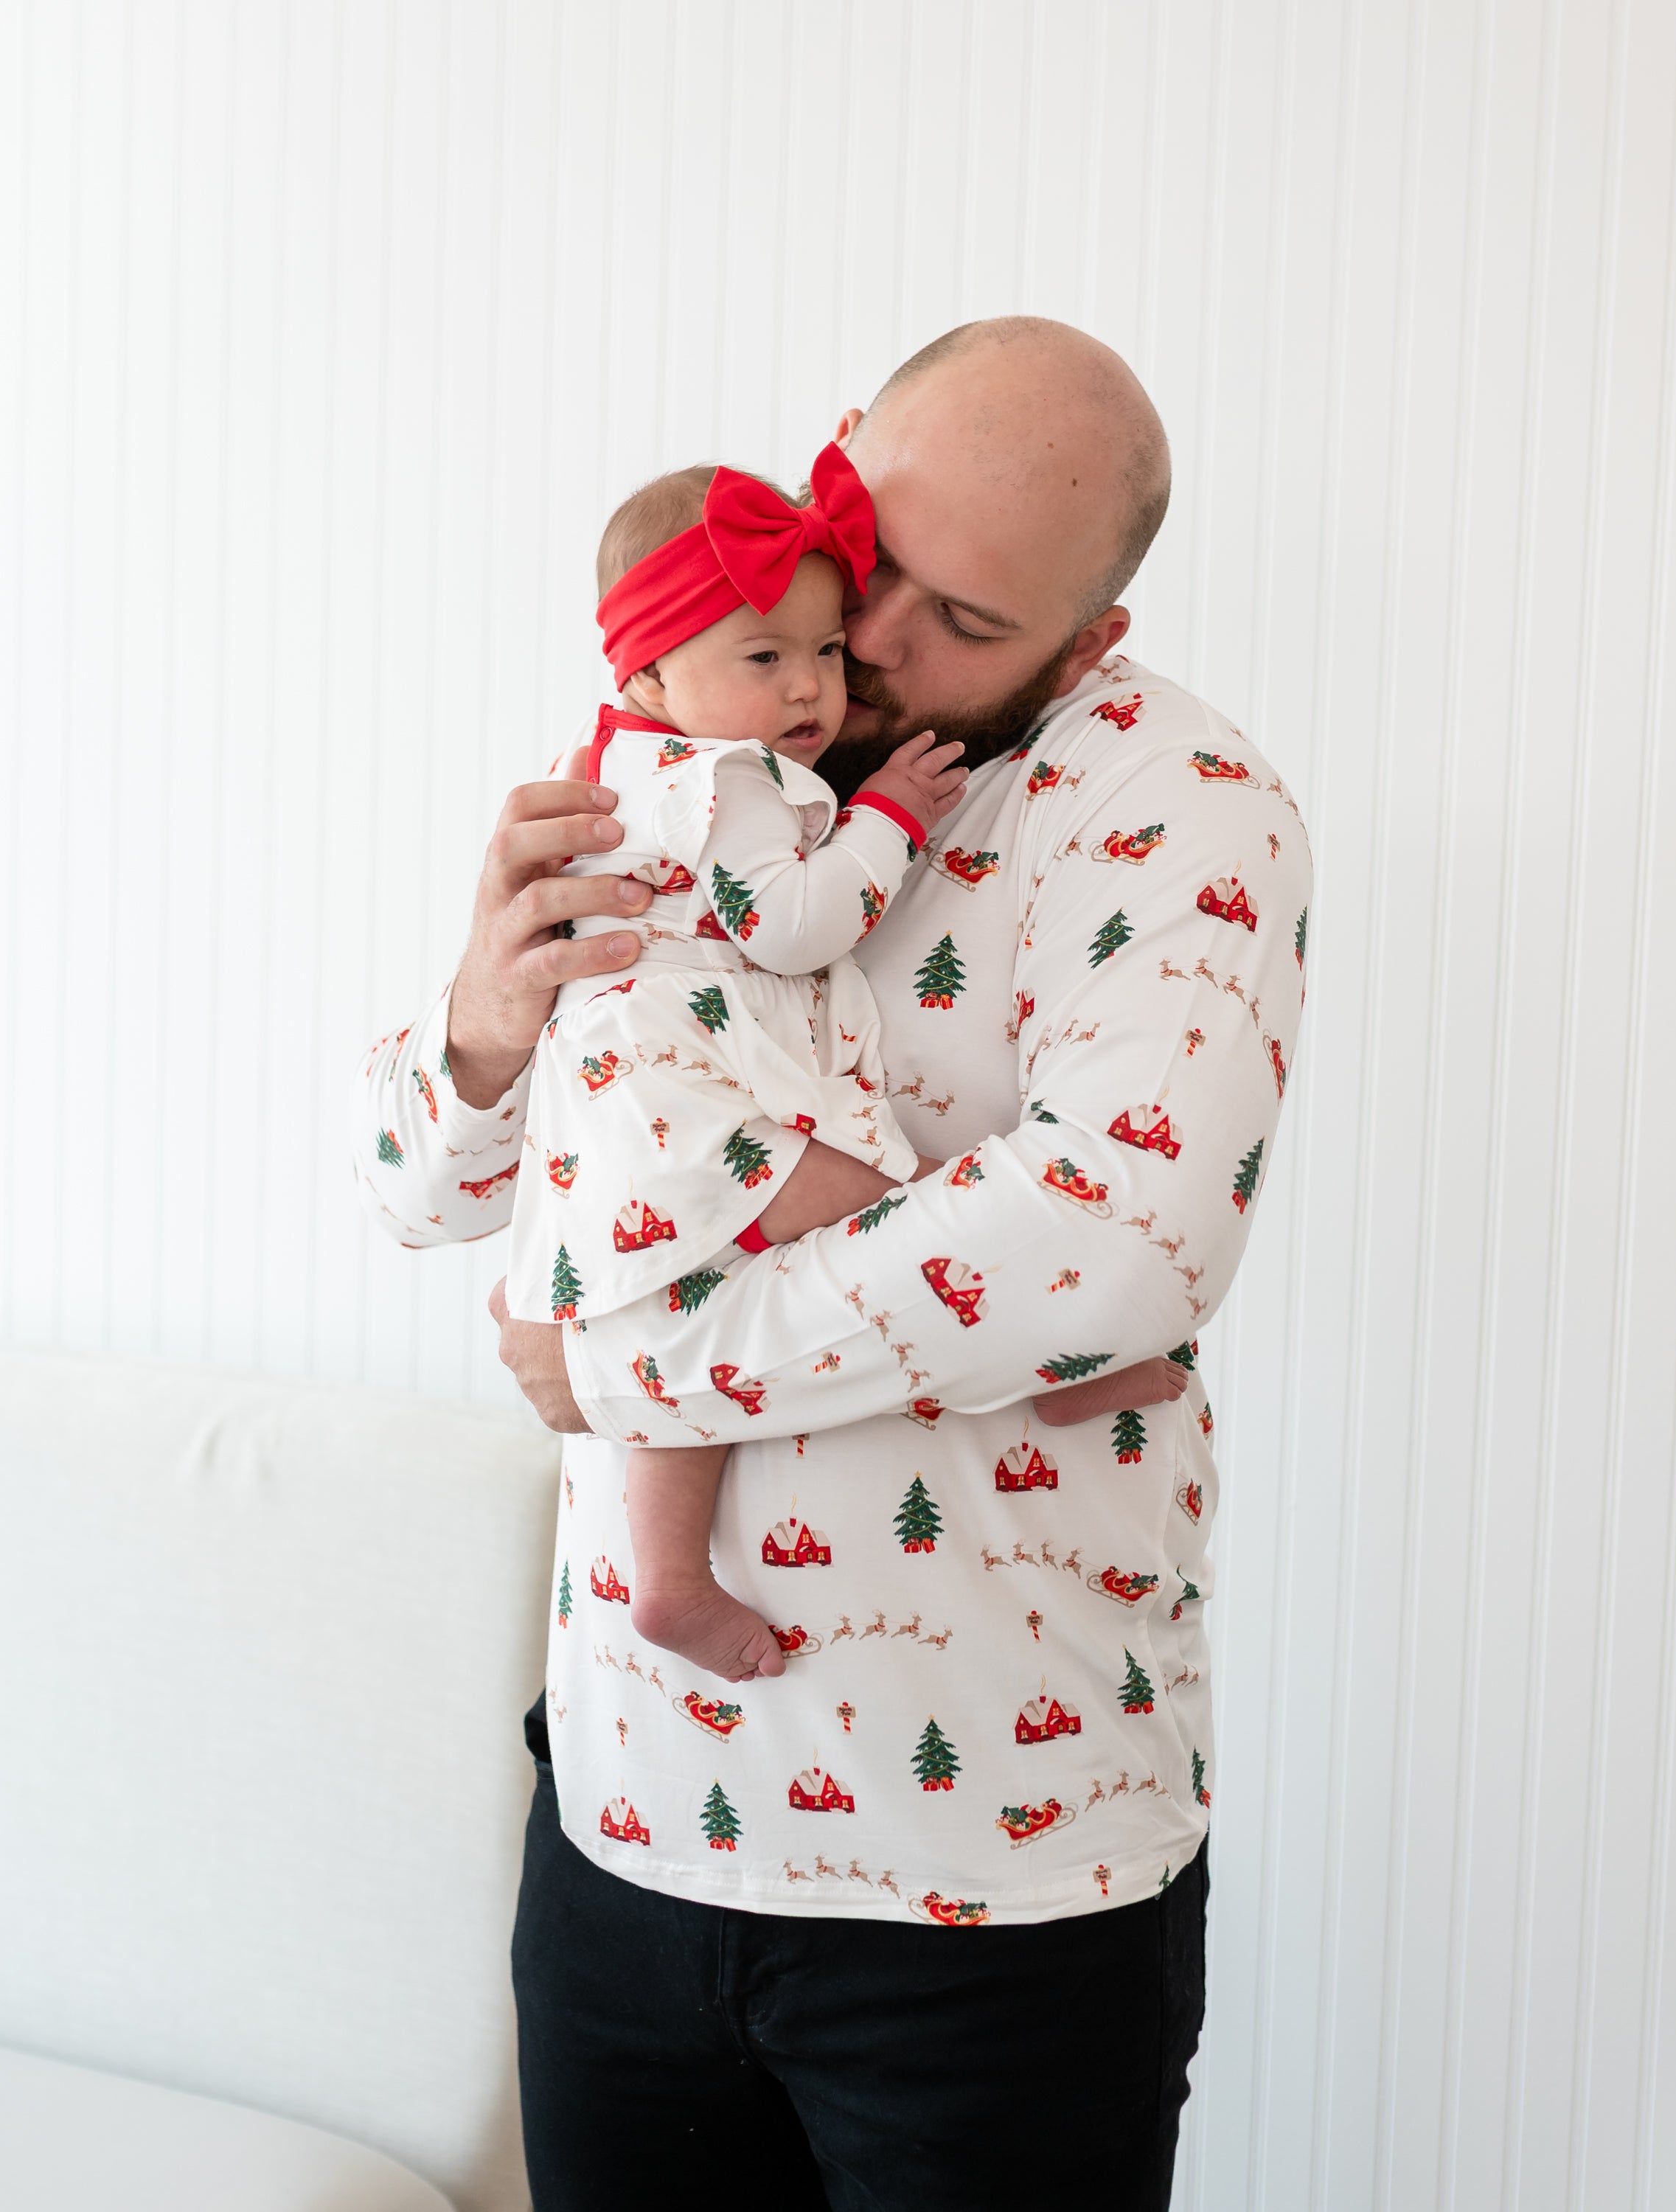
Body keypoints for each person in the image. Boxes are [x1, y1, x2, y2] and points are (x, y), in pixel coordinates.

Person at [352, 316, 1311, 2211]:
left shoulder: (1178, 807)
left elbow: (1114, 1247)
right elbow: (421, 1196)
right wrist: (477, 1026)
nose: (865, 648)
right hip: (631, 1824)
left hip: (989, 1877)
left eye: (963, 621)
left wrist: (622, 1354)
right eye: (869, 553)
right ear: (835, 446)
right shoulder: (675, 743)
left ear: (1084, 642)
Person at [487, 444, 1184, 1687]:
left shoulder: (623, 763)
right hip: (685, 1104)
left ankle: (669, 1579)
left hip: (637, 1112)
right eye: (769, 658)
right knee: (891, 1206)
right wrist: (891, 822)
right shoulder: (725, 783)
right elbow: (797, 924)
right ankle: (1073, 1354)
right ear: (649, 669)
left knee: (678, 1312)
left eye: (819, 645)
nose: (822, 681)